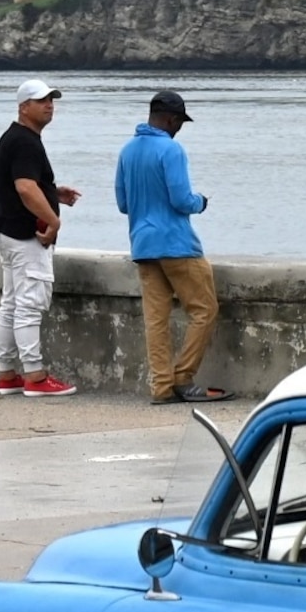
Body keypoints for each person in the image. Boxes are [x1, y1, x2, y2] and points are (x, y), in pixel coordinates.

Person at [115, 89, 226, 404]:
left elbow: (124, 204)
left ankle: (162, 387)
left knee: (156, 320)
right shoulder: (171, 150)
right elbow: (181, 200)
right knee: (204, 310)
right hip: (177, 245)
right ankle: (183, 377)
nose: (179, 128)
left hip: (143, 246)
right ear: (168, 119)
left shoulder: (127, 151)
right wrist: (201, 202)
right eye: (178, 122)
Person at [0, 78, 81, 397]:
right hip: (28, 236)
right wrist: (54, 221)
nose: (49, 105)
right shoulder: (26, 141)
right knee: (29, 305)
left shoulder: (12, 138)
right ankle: (35, 376)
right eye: (41, 100)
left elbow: (23, 182)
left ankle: (7, 374)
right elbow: (25, 188)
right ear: (23, 107)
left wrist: (53, 192)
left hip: (7, 232)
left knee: (12, 304)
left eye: (52, 100)